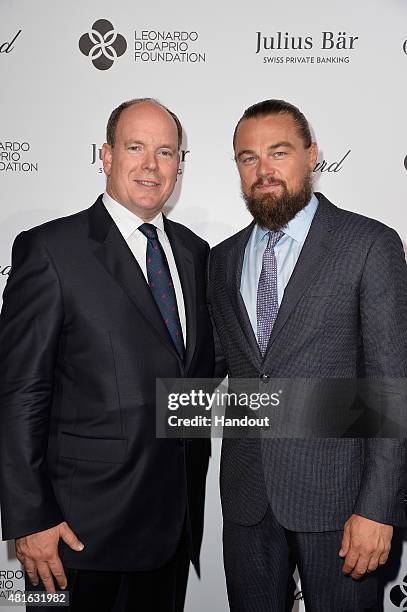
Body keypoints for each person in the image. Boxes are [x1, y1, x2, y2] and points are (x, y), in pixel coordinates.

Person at [0, 98, 215, 612]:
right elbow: (19, 393)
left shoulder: (195, 253)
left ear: (179, 165)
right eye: (135, 147)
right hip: (73, 537)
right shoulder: (50, 250)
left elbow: (203, 373)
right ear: (106, 155)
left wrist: (343, 408)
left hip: (170, 529)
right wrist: (30, 519)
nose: (151, 165)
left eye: (166, 152)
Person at [208, 99, 407, 611]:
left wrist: (378, 508)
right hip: (249, 501)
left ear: (312, 155)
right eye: (247, 158)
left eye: (279, 152)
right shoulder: (222, 259)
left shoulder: (369, 245)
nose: (263, 170)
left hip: (343, 507)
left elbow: (392, 387)